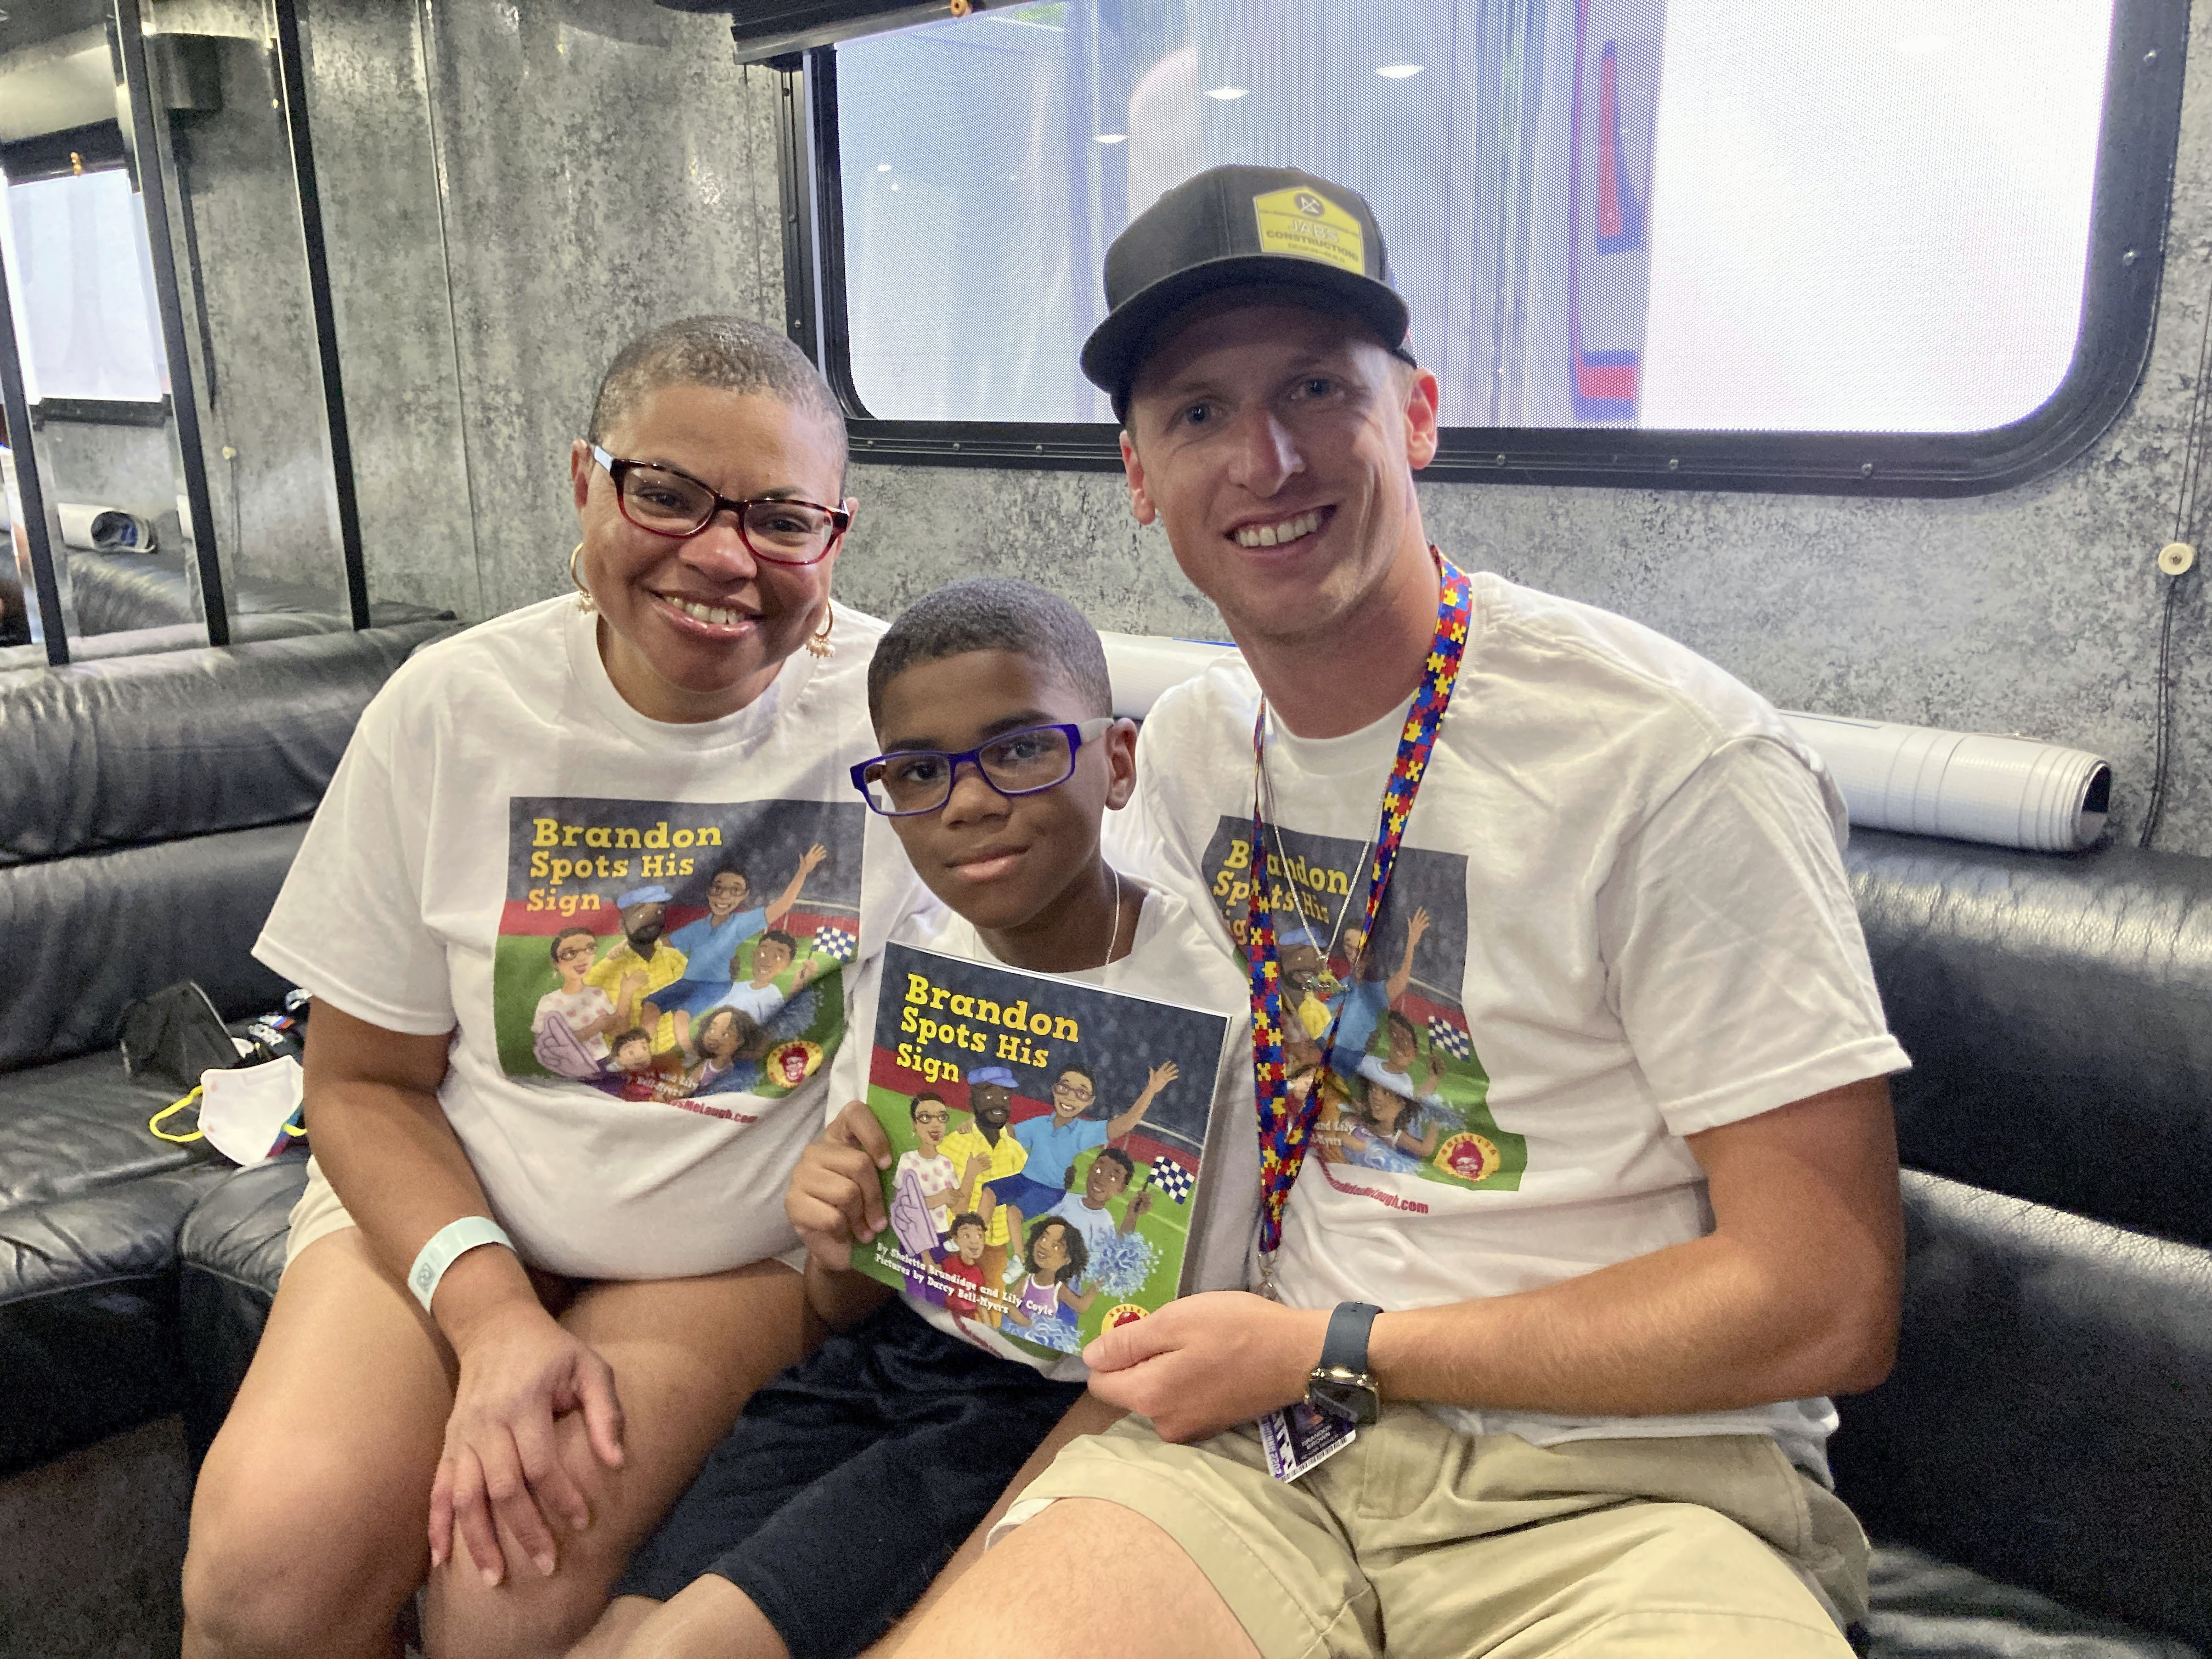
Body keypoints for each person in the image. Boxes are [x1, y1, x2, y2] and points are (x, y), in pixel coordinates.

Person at [895, 166, 1911, 1658]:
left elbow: (1825, 1294)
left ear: (1415, 414)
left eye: (1319, 387)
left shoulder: (1672, 761)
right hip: (1267, 1453)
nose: (1269, 455)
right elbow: (1115, 1069)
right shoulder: (1187, 750)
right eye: (1198, 413)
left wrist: (1338, 1345)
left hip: (1621, 1489)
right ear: (1139, 477)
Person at [178, 314, 922, 1659]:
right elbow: (360, 1081)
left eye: (781, 517)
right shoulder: (454, 706)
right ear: (588, 481)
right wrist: (492, 1316)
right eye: (669, 494)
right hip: (447, 1212)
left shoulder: (905, 725)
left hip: (714, 1259)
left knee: (503, 1596)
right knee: (260, 1574)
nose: (720, 554)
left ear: (837, 537)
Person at [574, 578, 1256, 1659]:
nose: (969, 801)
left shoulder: (1209, 1007)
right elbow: (843, 1301)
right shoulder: (921, 966)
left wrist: (1002, 1555)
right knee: (608, 1639)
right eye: (920, 772)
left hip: (1030, 1409)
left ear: (1116, 761)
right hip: (876, 1368)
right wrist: (832, 1234)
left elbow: (1167, 1365)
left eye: (1023, 749)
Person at [662, 850, 828, 1019]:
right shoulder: (696, 928)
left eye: (735, 890)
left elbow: (783, 905)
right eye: (718, 888)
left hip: (714, 989)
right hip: (688, 987)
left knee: (685, 1018)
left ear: (745, 895)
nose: (725, 896)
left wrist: (802, 872)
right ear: (708, 891)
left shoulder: (741, 923)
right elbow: (663, 945)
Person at [532, 926, 630, 1080]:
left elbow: (617, 1032)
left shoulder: (598, 993)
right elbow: (546, 1045)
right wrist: (591, 1030)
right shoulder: (549, 1002)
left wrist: (626, 993)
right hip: (567, 1069)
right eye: (570, 953)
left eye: (589, 949)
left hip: (603, 1064)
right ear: (556, 963)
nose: (583, 958)